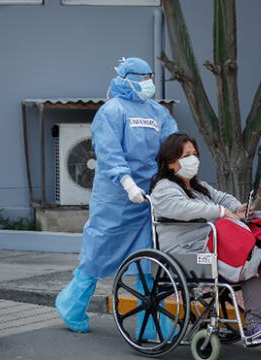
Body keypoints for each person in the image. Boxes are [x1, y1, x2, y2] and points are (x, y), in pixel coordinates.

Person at [149, 133, 261, 342]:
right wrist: (221, 212)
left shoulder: (196, 186)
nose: (193, 159)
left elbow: (221, 198)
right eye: (186, 155)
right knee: (253, 261)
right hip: (187, 251)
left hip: (213, 245)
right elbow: (184, 208)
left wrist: (237, 208)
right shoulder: (164, 188)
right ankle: (255, 324)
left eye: (195, 154)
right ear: (170, 163)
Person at [55, 57, 178, 333]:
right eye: (143, 77)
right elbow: (109, 152)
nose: (149, 82)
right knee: (98, 253)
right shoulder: (112, 110)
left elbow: (171, 146)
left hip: (148, 200)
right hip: (116, 199)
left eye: (150, 77)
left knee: (149, 257)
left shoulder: (158, 112)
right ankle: (71, 304)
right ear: (127, 79)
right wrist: (127, 182)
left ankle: (150, 324)